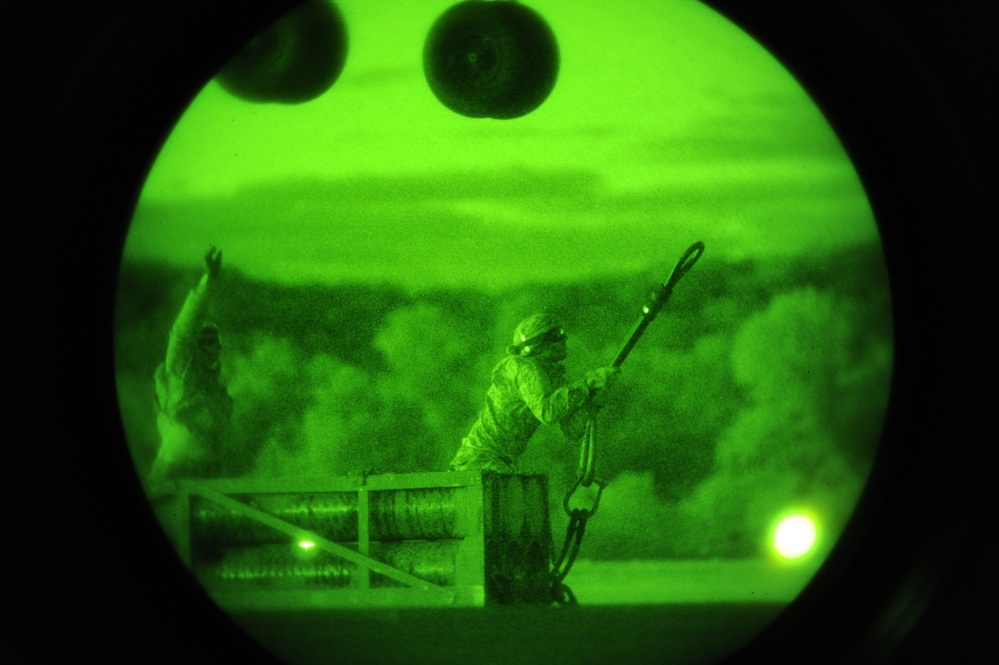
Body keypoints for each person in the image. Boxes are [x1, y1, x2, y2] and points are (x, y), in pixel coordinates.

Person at [449, 312, 619, 473]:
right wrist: (587, 385)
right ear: (538, 345)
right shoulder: (522, 368)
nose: (564, 340)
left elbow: (572, 430)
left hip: (499, 461)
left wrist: (591, 402)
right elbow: (547, 413)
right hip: (479, 459)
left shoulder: (551, 376)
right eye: (556, 337)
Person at [148, 247, 233, 485]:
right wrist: (208, 281)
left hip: (206, 475)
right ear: (196, 346)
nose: (214, 347)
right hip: (173, 469)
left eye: (216, 342)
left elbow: (218, 443)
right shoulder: (182, 371)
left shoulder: (217, 393)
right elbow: (182, 332)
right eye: (206, 341)